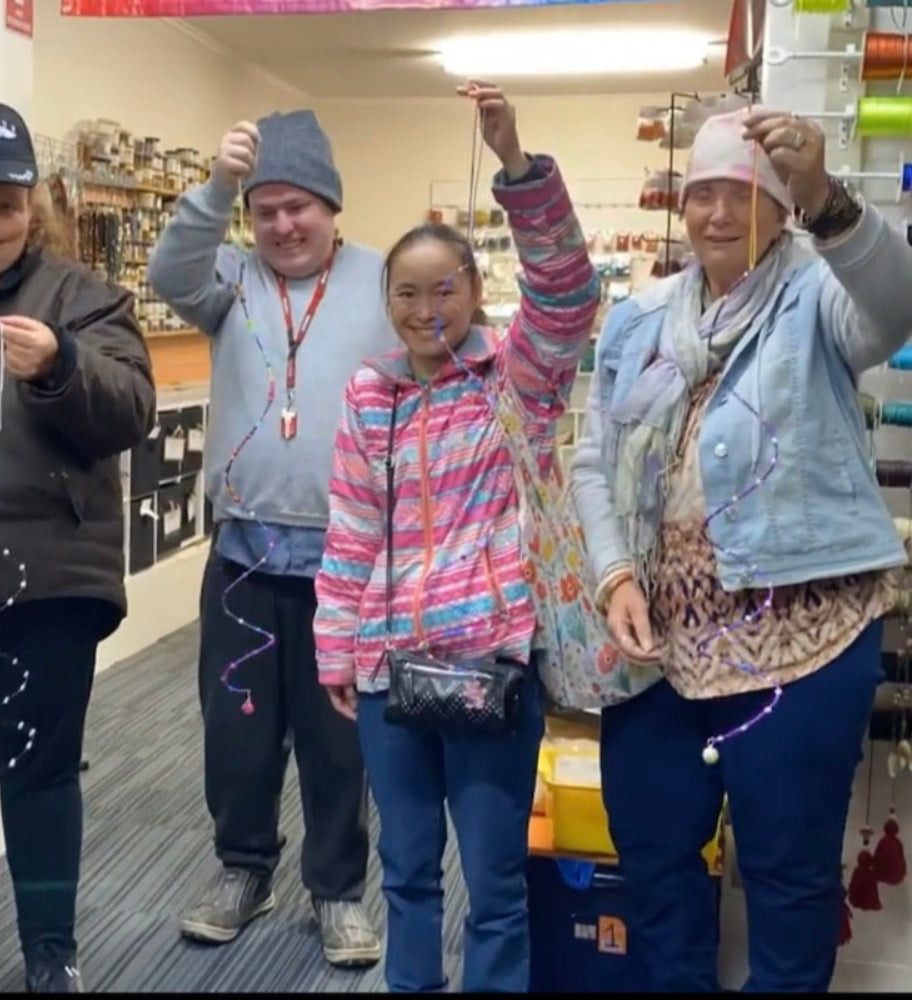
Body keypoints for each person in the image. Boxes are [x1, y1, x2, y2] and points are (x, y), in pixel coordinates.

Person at [569, 106, 912, 992]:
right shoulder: (641, 319)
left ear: (779, 204)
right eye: (703, 195)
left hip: (803, 645)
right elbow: (594, 459)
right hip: (657, 648)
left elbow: (892, 307)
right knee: (652, 859)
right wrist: (613, 576)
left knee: (789, 881)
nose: (720, 214)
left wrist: (829, 198)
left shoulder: (816, 296)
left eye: (745, 194)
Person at [314, 81, 600, 992]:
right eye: (407, 292)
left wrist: (516, 164)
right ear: (387, 299)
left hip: (491, 666)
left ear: (476, 293)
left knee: (496, 883)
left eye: (446, 289)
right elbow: (352, 528)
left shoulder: (516, 377)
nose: (426, 307)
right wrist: (337, 648)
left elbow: (566, 289)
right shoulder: (370, 393)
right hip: (388, 672)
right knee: (404, 876)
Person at [0, 100, 156, 993]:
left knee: (39, 779)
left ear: (31, 204)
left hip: (42, 591)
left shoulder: (81, 300)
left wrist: (61, 367)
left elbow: (129, 410)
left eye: (7, 204)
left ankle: (51, 954)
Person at [147, 108, 392, 966]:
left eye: (301, 207)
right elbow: (165, 267)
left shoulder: (380, 281)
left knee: (338, 741)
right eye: (266, 210)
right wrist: (218, 186)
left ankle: (335, 891)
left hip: (347, 563)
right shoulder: (227, 277)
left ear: (332, 207)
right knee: (238, 729)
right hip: (245, 559)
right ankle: (243, 868)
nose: (284, 226)